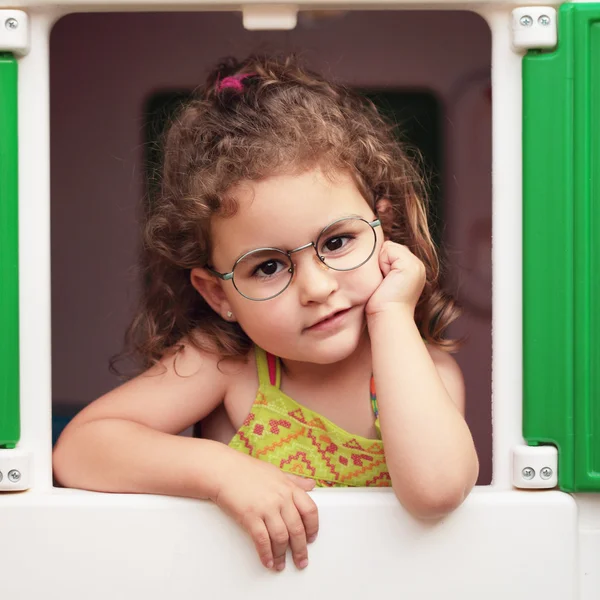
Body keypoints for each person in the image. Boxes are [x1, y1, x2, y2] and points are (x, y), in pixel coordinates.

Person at [53, 55, 479, 573]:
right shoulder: (227, 366)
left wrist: (391, 313)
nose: (317, 288)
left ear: (382, 225)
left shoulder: (419, 368)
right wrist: (220, 472)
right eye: (270, 267)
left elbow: (436, 490)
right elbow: (79, 450)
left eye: (338, 241)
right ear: (218, 296)